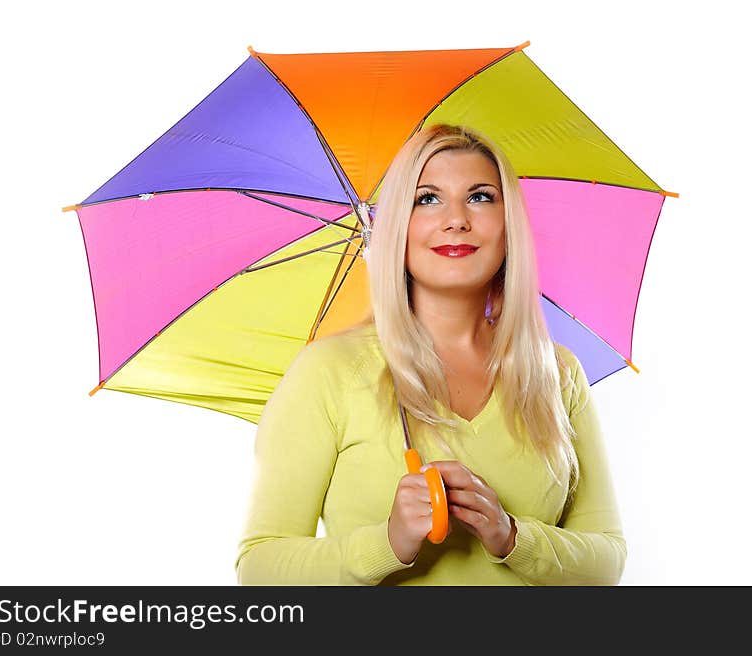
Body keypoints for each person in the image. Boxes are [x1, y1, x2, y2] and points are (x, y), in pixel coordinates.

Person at [235, 123, 626, 585]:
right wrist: (388, 543)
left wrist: (513, 537)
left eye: (480, 197)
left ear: (509, 225)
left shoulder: (556, 372)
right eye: (427, 199)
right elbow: (260, 569)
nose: (456, 218)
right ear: (398, 228)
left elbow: (606, 561)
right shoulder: (328, 372)